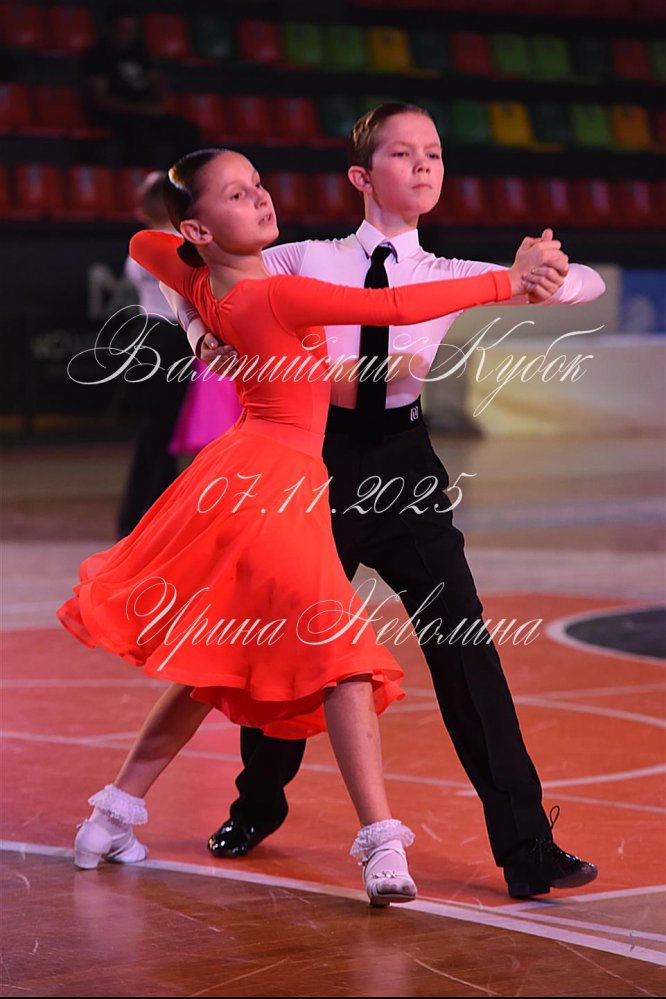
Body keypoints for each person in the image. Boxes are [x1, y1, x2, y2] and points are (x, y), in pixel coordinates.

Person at [57, 146, 560, 906]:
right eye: (236, 195)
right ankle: (382, 845)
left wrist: (195, 322)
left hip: (238, 473)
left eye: (257, 184)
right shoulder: (276, 295)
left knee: (216, 665)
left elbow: (143, 241)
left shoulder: (204, 278)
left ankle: (110, 818)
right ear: (200, 225)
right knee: (344, 663)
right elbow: (394, 310)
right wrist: (508, 282)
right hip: (278, 487)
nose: (261, 198)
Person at [165, 104, 604, 899]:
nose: (424, 164)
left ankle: (529, 847)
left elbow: (586, 285)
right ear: (363, 177)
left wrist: (545, 267)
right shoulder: (300, 258)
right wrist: (202, 335)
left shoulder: (447, 273)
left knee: (465, 646)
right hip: (313, 463)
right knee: (288, 642)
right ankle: (256, 803)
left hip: (406, 469)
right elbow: (183, 271)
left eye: (434, 151)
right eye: (403, 153)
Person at [117, 171, 239, 537]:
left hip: (150, 336)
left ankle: (150, 515)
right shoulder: (176, 247)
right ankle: (140, 518)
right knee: (162, 433)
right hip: (172, 337)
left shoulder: (143, 247)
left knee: (160, 432)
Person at [82, 2, 200, 167]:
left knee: (187, 132)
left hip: (144, 112)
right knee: (140, 137)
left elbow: (155, 80)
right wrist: (140, 109)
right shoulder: (97, 54)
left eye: (130, 31)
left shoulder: (139, 51)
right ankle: (139, 179)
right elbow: (101, 100)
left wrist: (158, 97)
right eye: (121, 30)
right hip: (117, 115)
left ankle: (177, 177)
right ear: (110, 29)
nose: (126, 36)